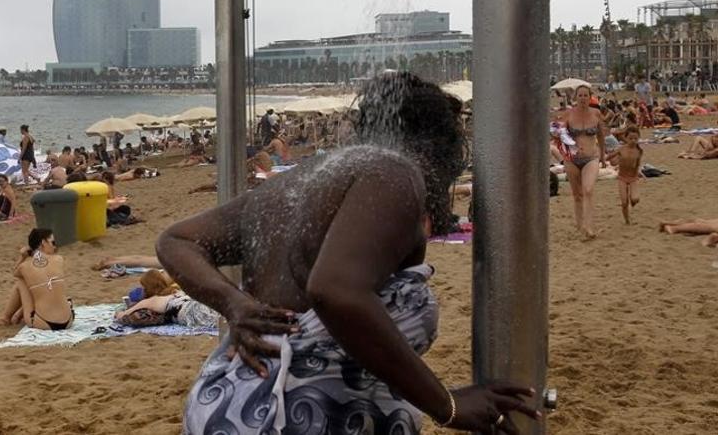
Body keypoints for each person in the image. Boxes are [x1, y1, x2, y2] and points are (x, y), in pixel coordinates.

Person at [156, 73, 540, 434]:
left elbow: (176, 241)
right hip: (293, 416)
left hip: (226, 401)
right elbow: (336, 290)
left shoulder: (302, 180)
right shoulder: (395, 174)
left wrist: (234, 303)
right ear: (439, 143)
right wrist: (447, 405)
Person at [0, 229, 74, 330]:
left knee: (22, 282)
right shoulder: (59, 259)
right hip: (68, 321)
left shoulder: (24, 267)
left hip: (44, 322)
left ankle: (6, 318)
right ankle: (16, 316)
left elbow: (15, 273)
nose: (55, 246)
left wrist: (22, 257)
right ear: (43, 242)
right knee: (43, 287)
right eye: (53, 242)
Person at [560, 85, 608, 240]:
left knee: (588, 190)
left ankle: (589, 226)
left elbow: (601, 135)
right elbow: (558, 134)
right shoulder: (568, 114)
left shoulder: (596, 114)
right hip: (572, 159)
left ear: (590, 97)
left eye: (585, 95)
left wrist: (603, 156)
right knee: (577, 195)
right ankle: (580, 226)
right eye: (579, 95)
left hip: (591, 157)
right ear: (575, 98)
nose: (582, 98)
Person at [606, 126, 643, 225]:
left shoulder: (639, 151)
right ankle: (627, 220)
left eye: (635, 138)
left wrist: (639, 173)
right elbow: (610, 156)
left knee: (635, 199)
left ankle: (632, 201)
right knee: (624, 202)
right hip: (622, 177)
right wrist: (604, 159)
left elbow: (638, 164)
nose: (633, 141)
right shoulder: (621, 149)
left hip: (633, 178)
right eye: (631, 138)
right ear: (625, 138)